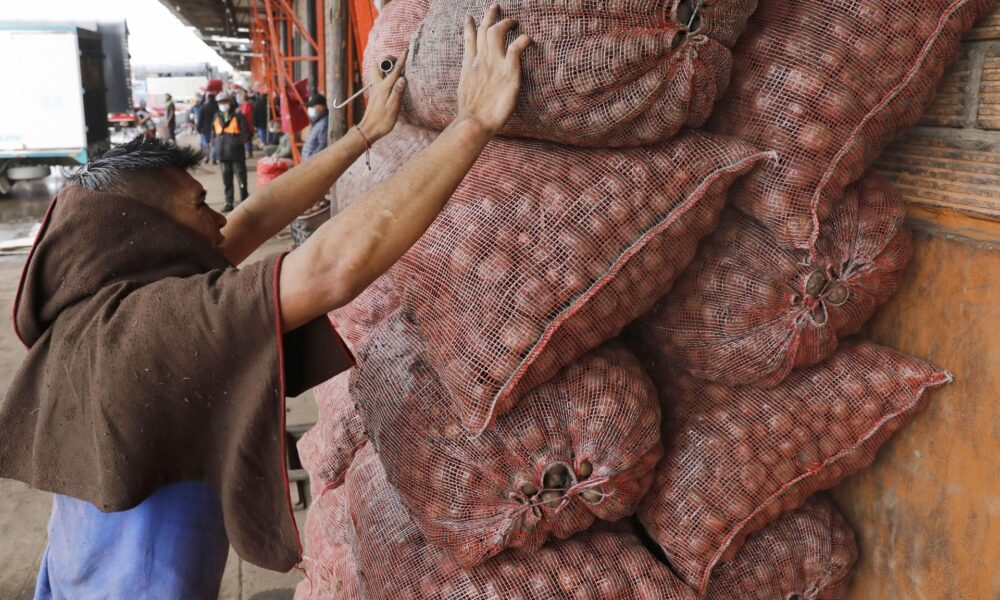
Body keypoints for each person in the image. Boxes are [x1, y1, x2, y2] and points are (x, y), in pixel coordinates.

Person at [3, 8, 528, 598]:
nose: (218, 218)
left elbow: (249, 218)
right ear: (143, 232)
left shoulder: (94, 303)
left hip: (72, 575)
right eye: (196, 206)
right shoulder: (152, 326)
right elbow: (331, 268)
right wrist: (474, 122)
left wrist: (364, 133)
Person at [213, 91, 252, 212]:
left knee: (241, 180)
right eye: (220, 102)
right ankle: (229, 202)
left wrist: (235, 143)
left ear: (230, 101)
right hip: (223, 155)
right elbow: (213, 133)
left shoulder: (239, 116)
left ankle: (244, 200)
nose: (223, 104)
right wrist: (215, 144)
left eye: (225, 101)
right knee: (227, 180)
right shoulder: (216, 117)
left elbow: (247, 134)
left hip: (236, 155)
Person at [301, 93, 329, 160]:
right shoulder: (318, 121)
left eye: (312, 106)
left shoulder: (324, 123)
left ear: (321, 107)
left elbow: (323, 145)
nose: (310, 109)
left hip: (312, 162)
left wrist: (311, 159)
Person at [196, 93, 219, 164]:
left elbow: (200, 119)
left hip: (205, 129)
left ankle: (207, 157)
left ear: (208, 98)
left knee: (207, 143)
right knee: (214, 143)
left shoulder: (203, 107)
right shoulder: (217, 107)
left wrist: (198, 128)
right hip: (216, 128)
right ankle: (214, 158)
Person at [238, 92, 256, 158]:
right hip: (250, 124)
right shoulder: (249, 105)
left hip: (247, 124)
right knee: (248, 139)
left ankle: (249, 153)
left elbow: (244, 114)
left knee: (247, 139)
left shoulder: (246, 105)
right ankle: (249, 152)